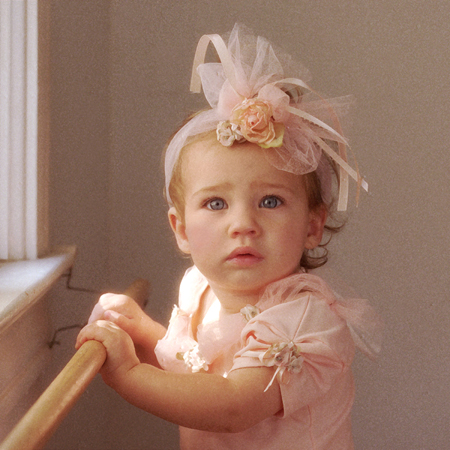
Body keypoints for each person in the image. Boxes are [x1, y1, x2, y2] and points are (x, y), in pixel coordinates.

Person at [76, 24, 382, 449]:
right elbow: (194, 371)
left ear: (312, 226)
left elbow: (233, 405)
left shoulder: (304, 319)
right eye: (216, 204)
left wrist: (129, 375)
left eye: (270, 202)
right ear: (181, 230)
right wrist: (145, 333)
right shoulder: (198, 288)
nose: (243, 224)